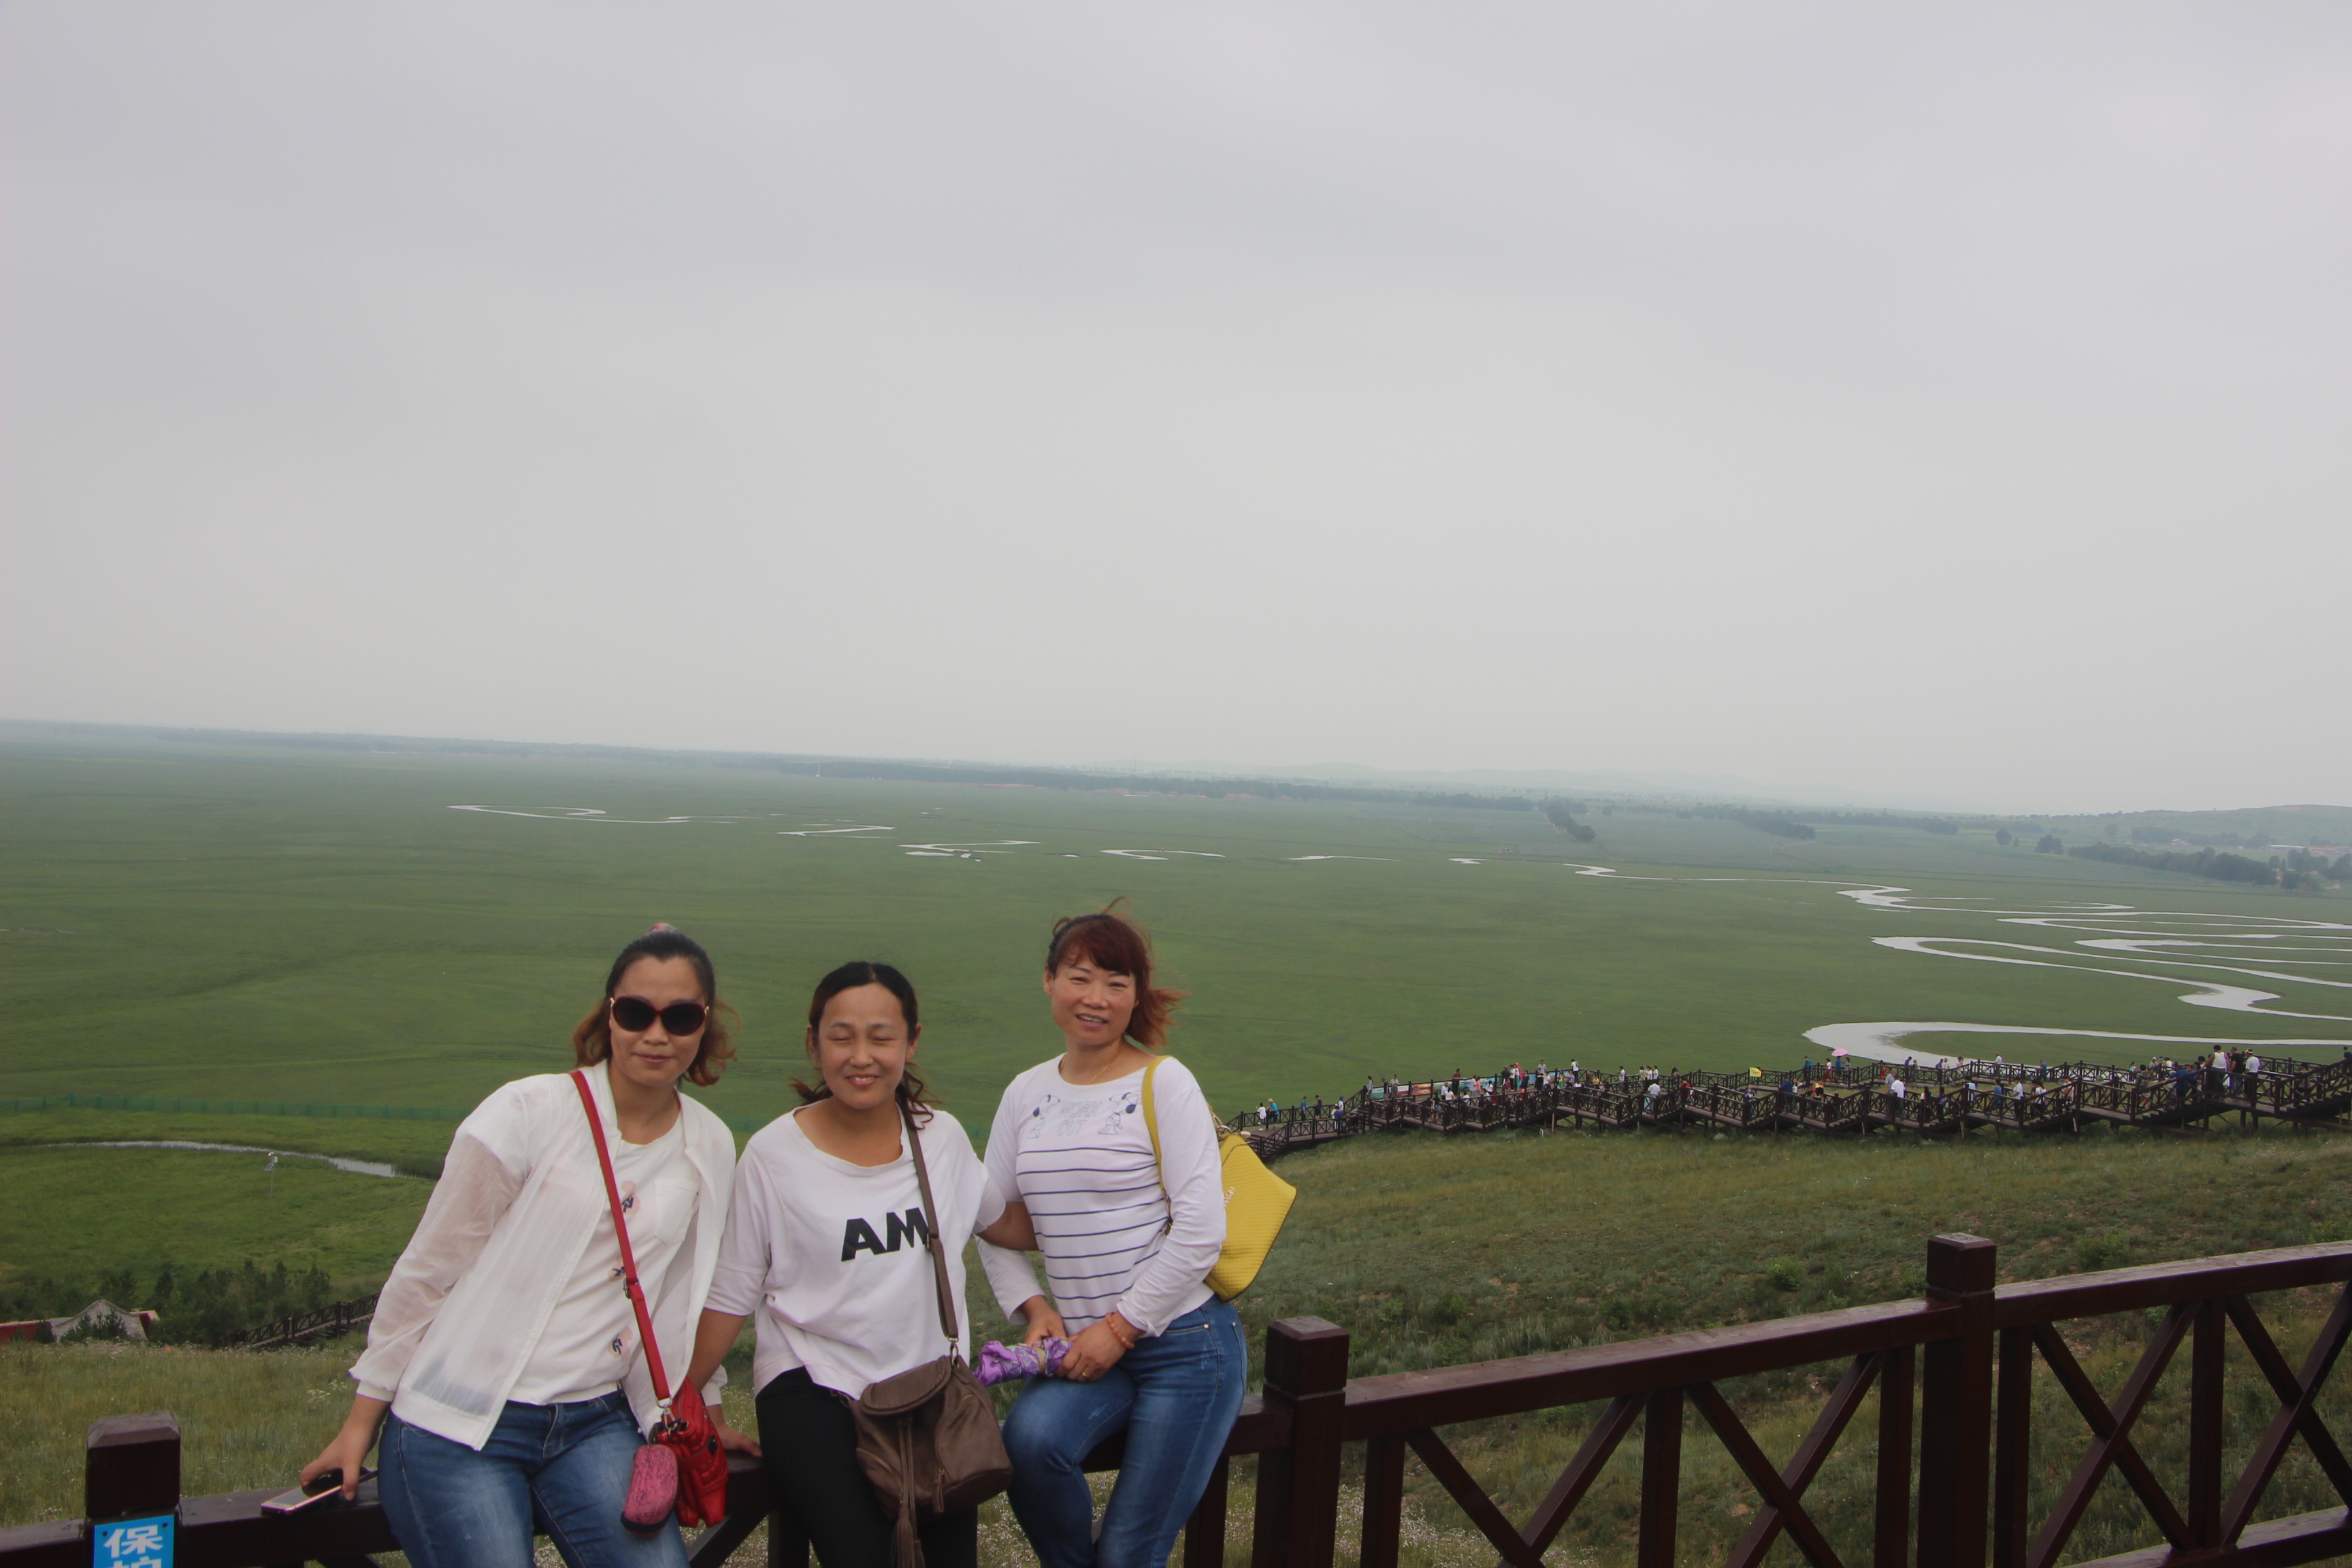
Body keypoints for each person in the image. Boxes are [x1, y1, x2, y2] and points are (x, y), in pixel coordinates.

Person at [302, 926, 742, 1568]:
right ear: (609, 1014)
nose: (656, 1034)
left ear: (704, 1025)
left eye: (679, 1017)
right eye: (635, 1013)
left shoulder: (709, 1145)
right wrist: (360, 1424)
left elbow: (682, 1295)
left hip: (594, 1420)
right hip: (458, 1418)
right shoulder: (529, 1110)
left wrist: (707, 1408)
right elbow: (430, 1269)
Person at [685, 962, 1035, 1568]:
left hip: (930, 1391)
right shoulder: (772, 1156)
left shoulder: (941, 1139)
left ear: (912, 1042)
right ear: (813, 1043)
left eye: (881, 1037)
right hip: (812, 1387)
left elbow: (1002, 1222)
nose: (861, 1057)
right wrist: (687, 1403)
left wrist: (1141, 1206)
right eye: (842, 1037)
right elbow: (730, 1295)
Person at [978, 906, 1245, 1568]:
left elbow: (1202, 1230)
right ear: (1049, 981)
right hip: (1083, 1342)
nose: (1095, 998)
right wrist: (1034, 1307)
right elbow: (991, 1218)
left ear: (1136, 994)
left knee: (1131, 1551)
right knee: (1029, 1445)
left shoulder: (1164, 1082)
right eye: (1080, 978)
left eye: (1116, 982)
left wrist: (1121, 1329)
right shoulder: (1025, 1093)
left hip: (1185, 1344)